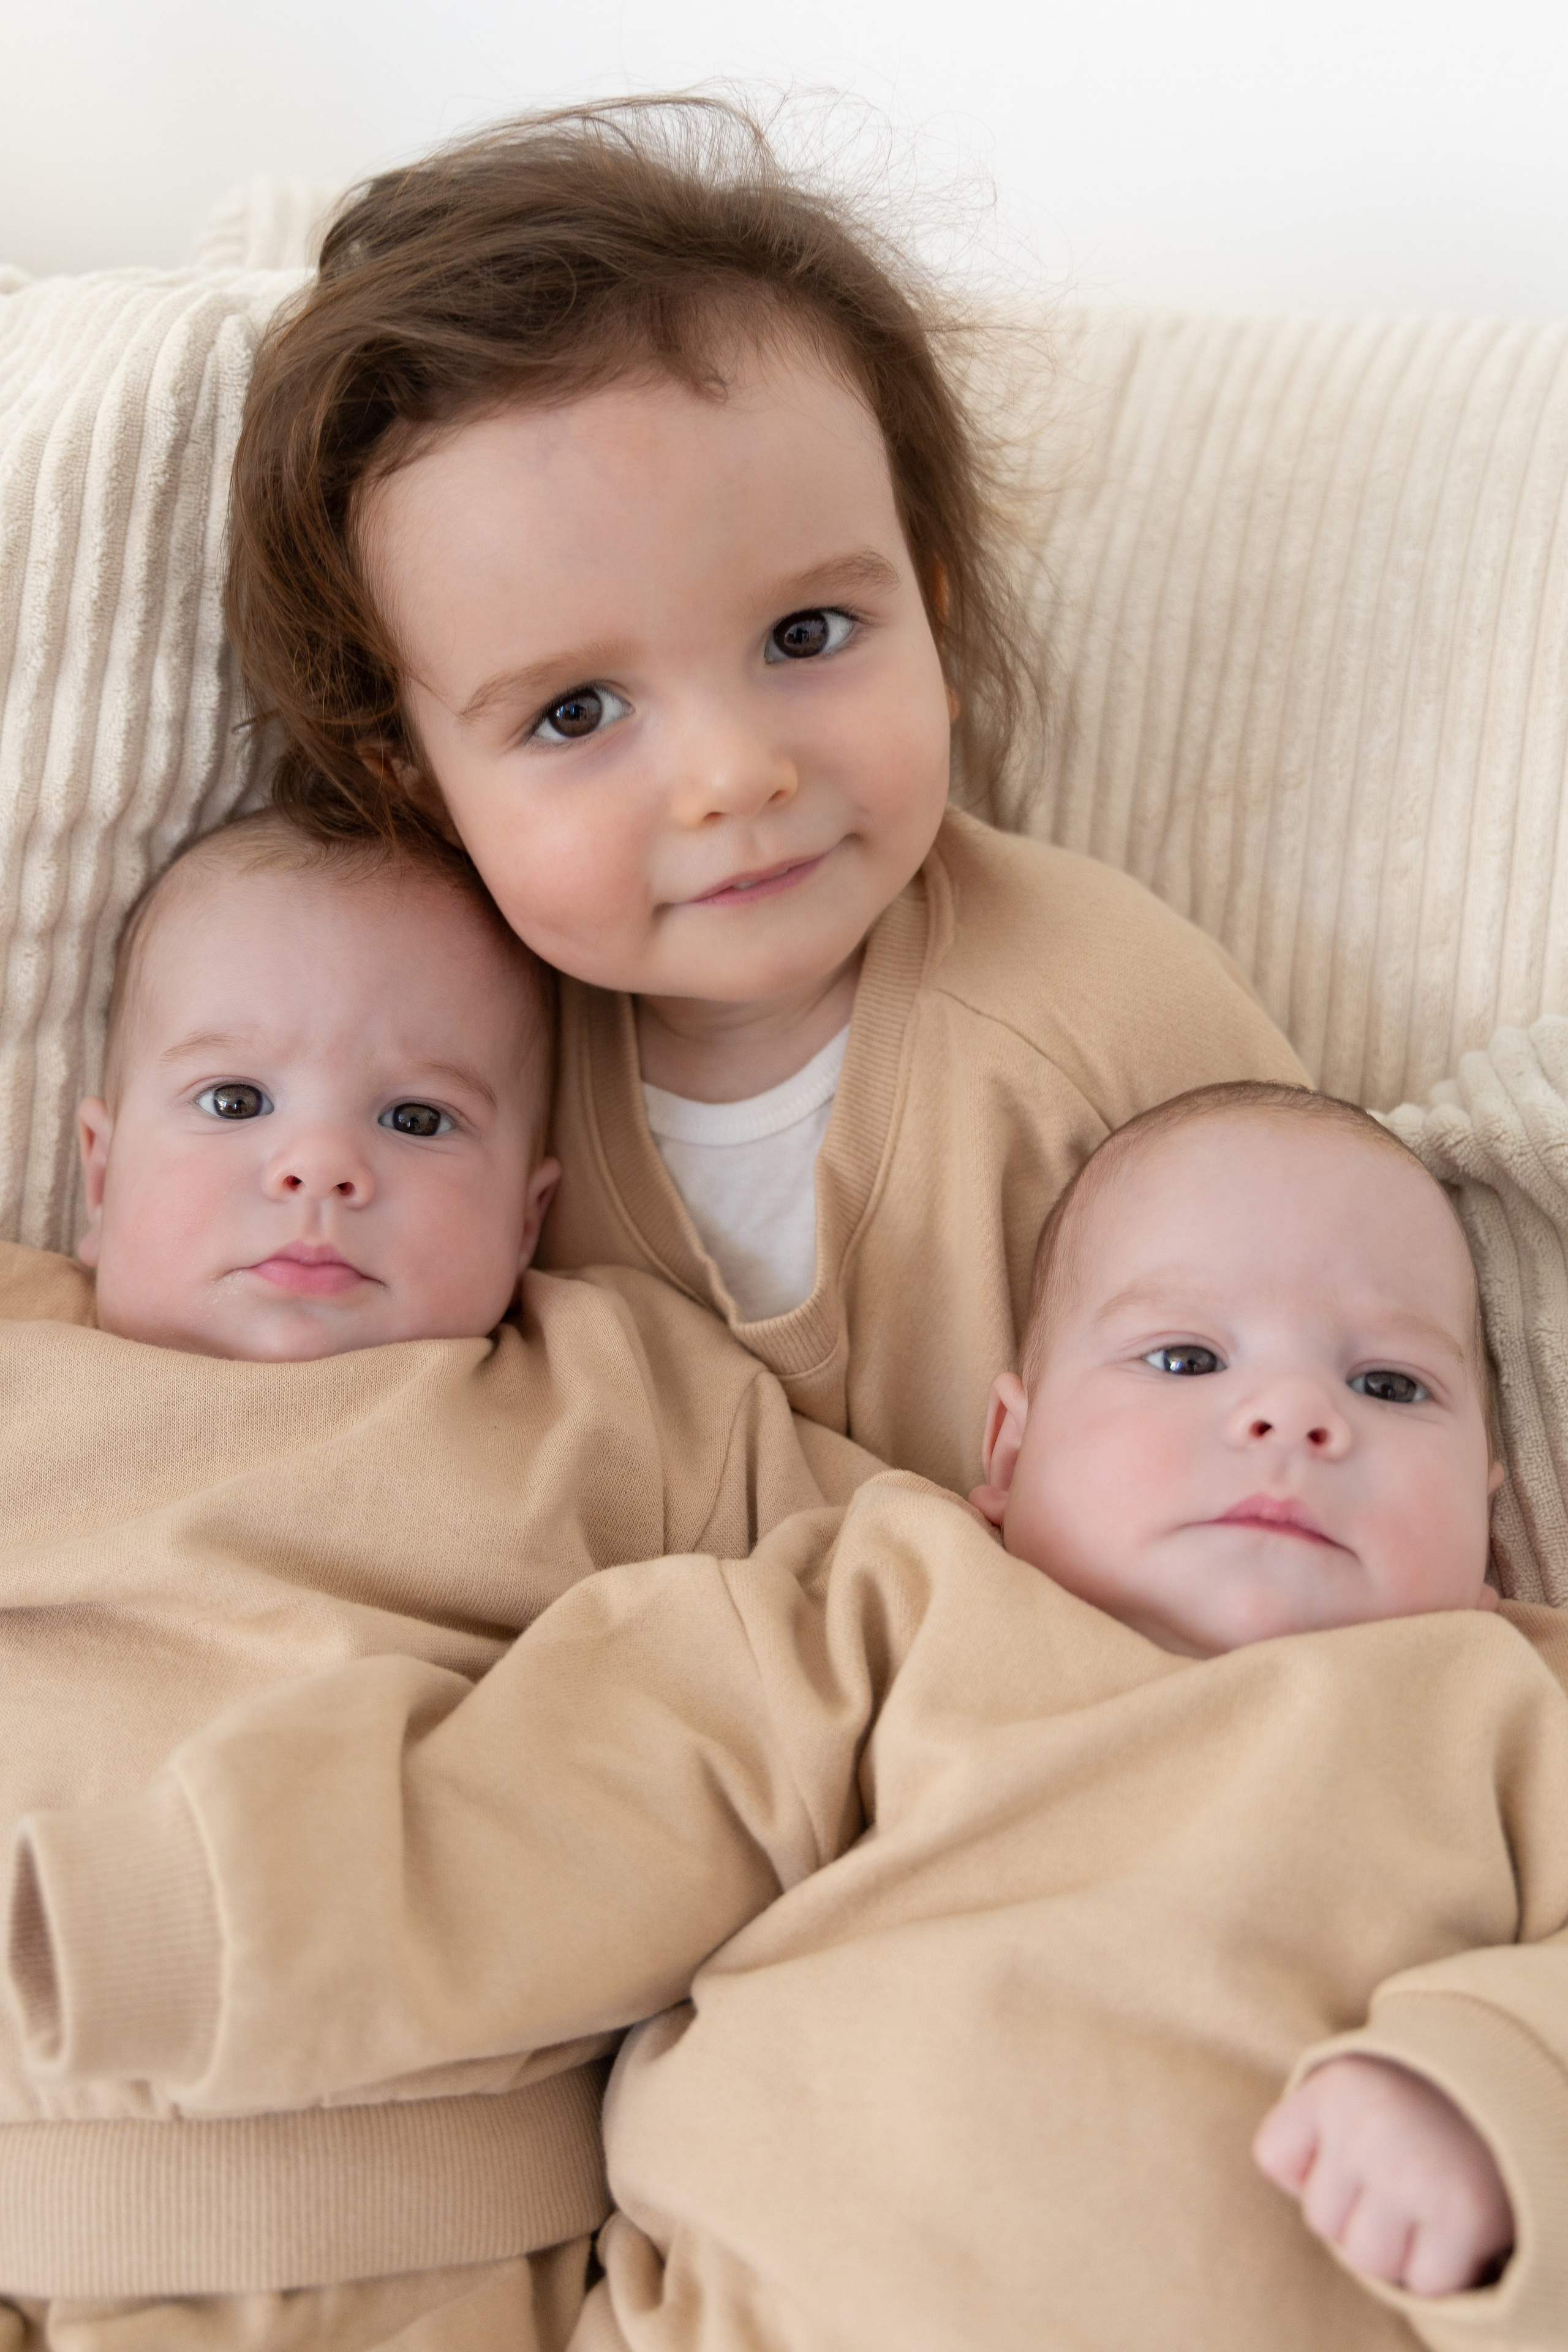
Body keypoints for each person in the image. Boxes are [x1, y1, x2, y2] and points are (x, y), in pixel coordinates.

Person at [17, 1082, 1565, 2350]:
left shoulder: (1500, 1708)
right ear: (1007, 1452)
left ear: (1490, 1527)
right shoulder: (894, 1615)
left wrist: (1498, 2090)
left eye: (1389, 1387)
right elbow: (556, 1814)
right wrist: (168, 1924)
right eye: (1182, 1357)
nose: (1290, 1415)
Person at [225, 96, 1310, 1496]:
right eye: (575, 712)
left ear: (930, 625)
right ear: (419, 788)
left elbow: (1351, 1400)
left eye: (805, 636)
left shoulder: (1108, 1024)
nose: (736, 775)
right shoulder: (446, 1083)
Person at [0, 808, 875, 2352]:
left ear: (530, 1210)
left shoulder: (616, 1395)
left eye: (417, 1121)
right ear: (98, 1162)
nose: (320, 1162)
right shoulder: (25, 1357)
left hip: (466, 2253)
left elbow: (882, 1607)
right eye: (230, 1097)